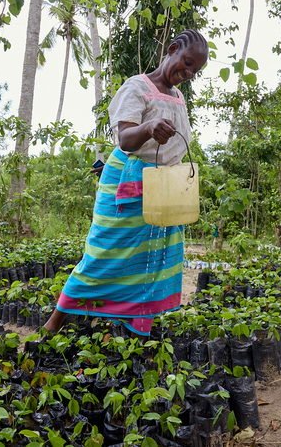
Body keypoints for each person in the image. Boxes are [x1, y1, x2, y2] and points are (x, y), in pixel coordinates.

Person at [43, 30, 209, 336]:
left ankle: (136, 332)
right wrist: (148, 127)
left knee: (152, 260)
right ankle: (54, 323)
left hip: (163, 187)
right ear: (172, 49)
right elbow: (126, 139)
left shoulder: (178, 97)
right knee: (103, 255)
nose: (188, 73)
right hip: (128, 187)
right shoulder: (136, 87)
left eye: (194, 70)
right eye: (186, 63)